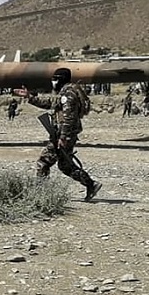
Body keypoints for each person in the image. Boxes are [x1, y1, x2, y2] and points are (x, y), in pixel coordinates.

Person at [14, 68, 102, 201]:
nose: (53, 81)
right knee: (65, 165)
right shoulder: (64, 92)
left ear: (61, 79)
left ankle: (41, 194)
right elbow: (50, 103)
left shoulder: (69, 94)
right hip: (62, 134)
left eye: (55, 78)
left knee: (43, 162)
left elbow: (69, 118)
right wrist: (29, 97)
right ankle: (91, 184)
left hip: (63, 135)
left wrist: (63, 137)